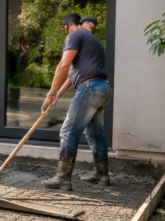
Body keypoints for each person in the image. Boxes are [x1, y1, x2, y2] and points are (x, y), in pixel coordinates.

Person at [40, 12, 112, 190]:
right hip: (103, 88)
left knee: (68, 131)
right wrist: (57, 95)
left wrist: (50, 93)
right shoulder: (92, 40)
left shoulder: (74, 35)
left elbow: (63, 65)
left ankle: (63, 178)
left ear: (66, 27)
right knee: (95, 133)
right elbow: (74, 76)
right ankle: (102, 175)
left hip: (90, 89)